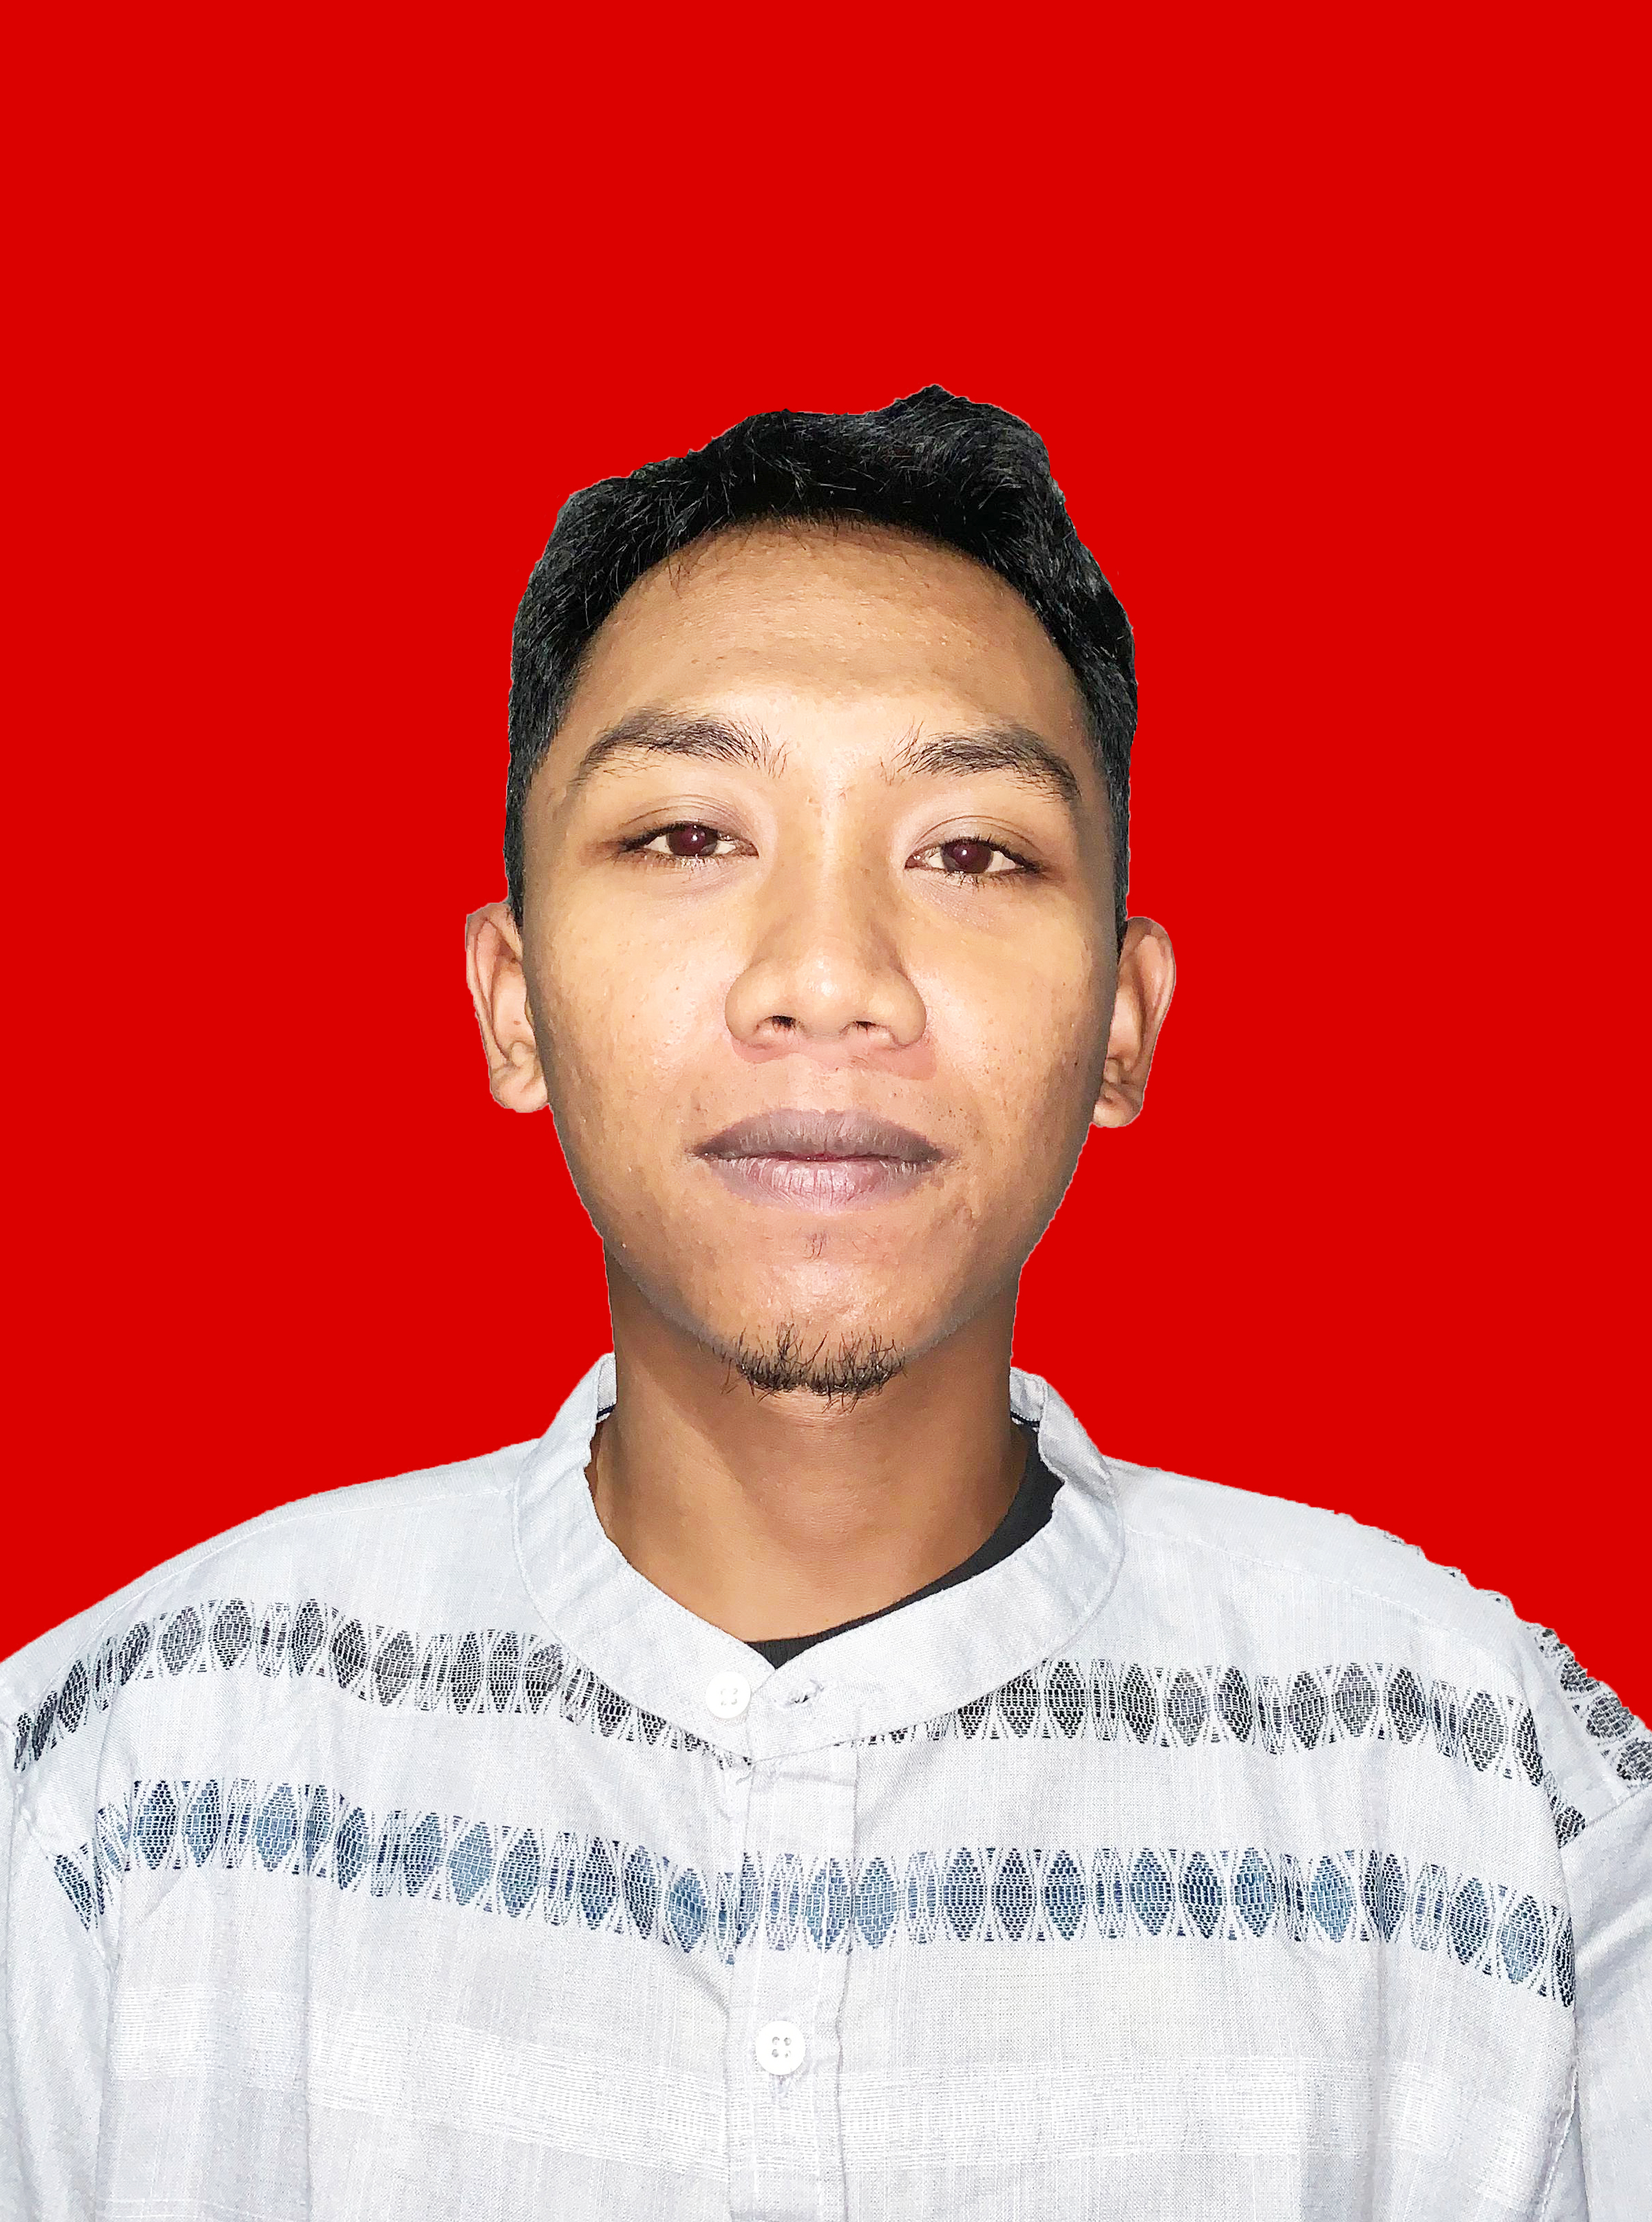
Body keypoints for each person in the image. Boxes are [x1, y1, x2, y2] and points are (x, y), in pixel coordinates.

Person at [1, 389, 1645, 2221]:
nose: (828, 976)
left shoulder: (1490, 1789)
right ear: (512, 1001)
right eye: (688, 837)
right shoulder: (116, 1787)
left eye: (973, 852)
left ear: (1124, 1020)